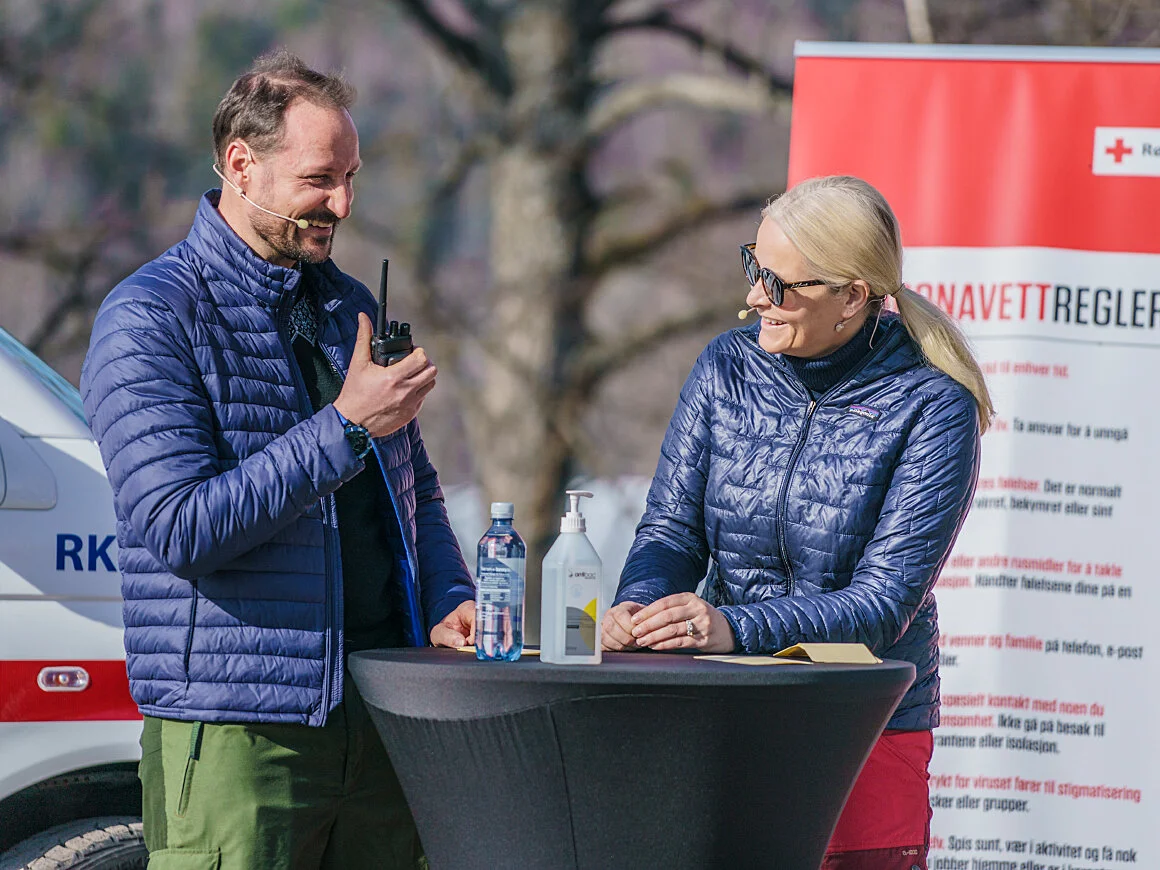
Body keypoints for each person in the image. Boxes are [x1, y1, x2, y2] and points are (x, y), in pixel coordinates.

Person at [80, 49, 475, 869]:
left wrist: (448, 597)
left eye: (351, 177)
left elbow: (416, 492)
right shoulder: (150, 318)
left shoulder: (349, 306)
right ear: (240, 164)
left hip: (384, 716)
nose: (343, 204)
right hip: (239, 735)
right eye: (319, 179)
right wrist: (345, 427)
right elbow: (180, 528)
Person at [603, 175, 992, 870]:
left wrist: (731, 628)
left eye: (779, 284)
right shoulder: (725, 366)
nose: (755, 296)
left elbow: (882, 605)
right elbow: (670, 532)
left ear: (853, 296)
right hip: (727, 709)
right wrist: (643, 607)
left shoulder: (934, 406)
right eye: (753, 265)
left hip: (862, 724)